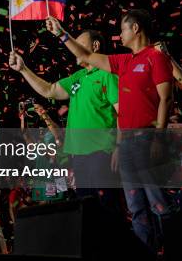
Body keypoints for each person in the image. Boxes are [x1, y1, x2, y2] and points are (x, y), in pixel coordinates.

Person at [45, 10, 182, 261]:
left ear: (136, 28)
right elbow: (85, 57)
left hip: (148, 140)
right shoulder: (124, 62)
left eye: (123, 29)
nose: (120, 34)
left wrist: (159, 137)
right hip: (129, 144)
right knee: (137, 209)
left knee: (160, 206)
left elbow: (166, 100)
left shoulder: (156, 58)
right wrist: (61, 33)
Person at [9, 30, 121, 212]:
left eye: (79, 44)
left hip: (102, 153)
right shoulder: (79, 77)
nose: (73, 49)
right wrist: (23, 69)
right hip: (78, 156)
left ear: (95, 46)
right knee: (87, 212)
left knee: (108, 210)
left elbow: (121, 112)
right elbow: (50, 90)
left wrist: (119, 146)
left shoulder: (107, 74)